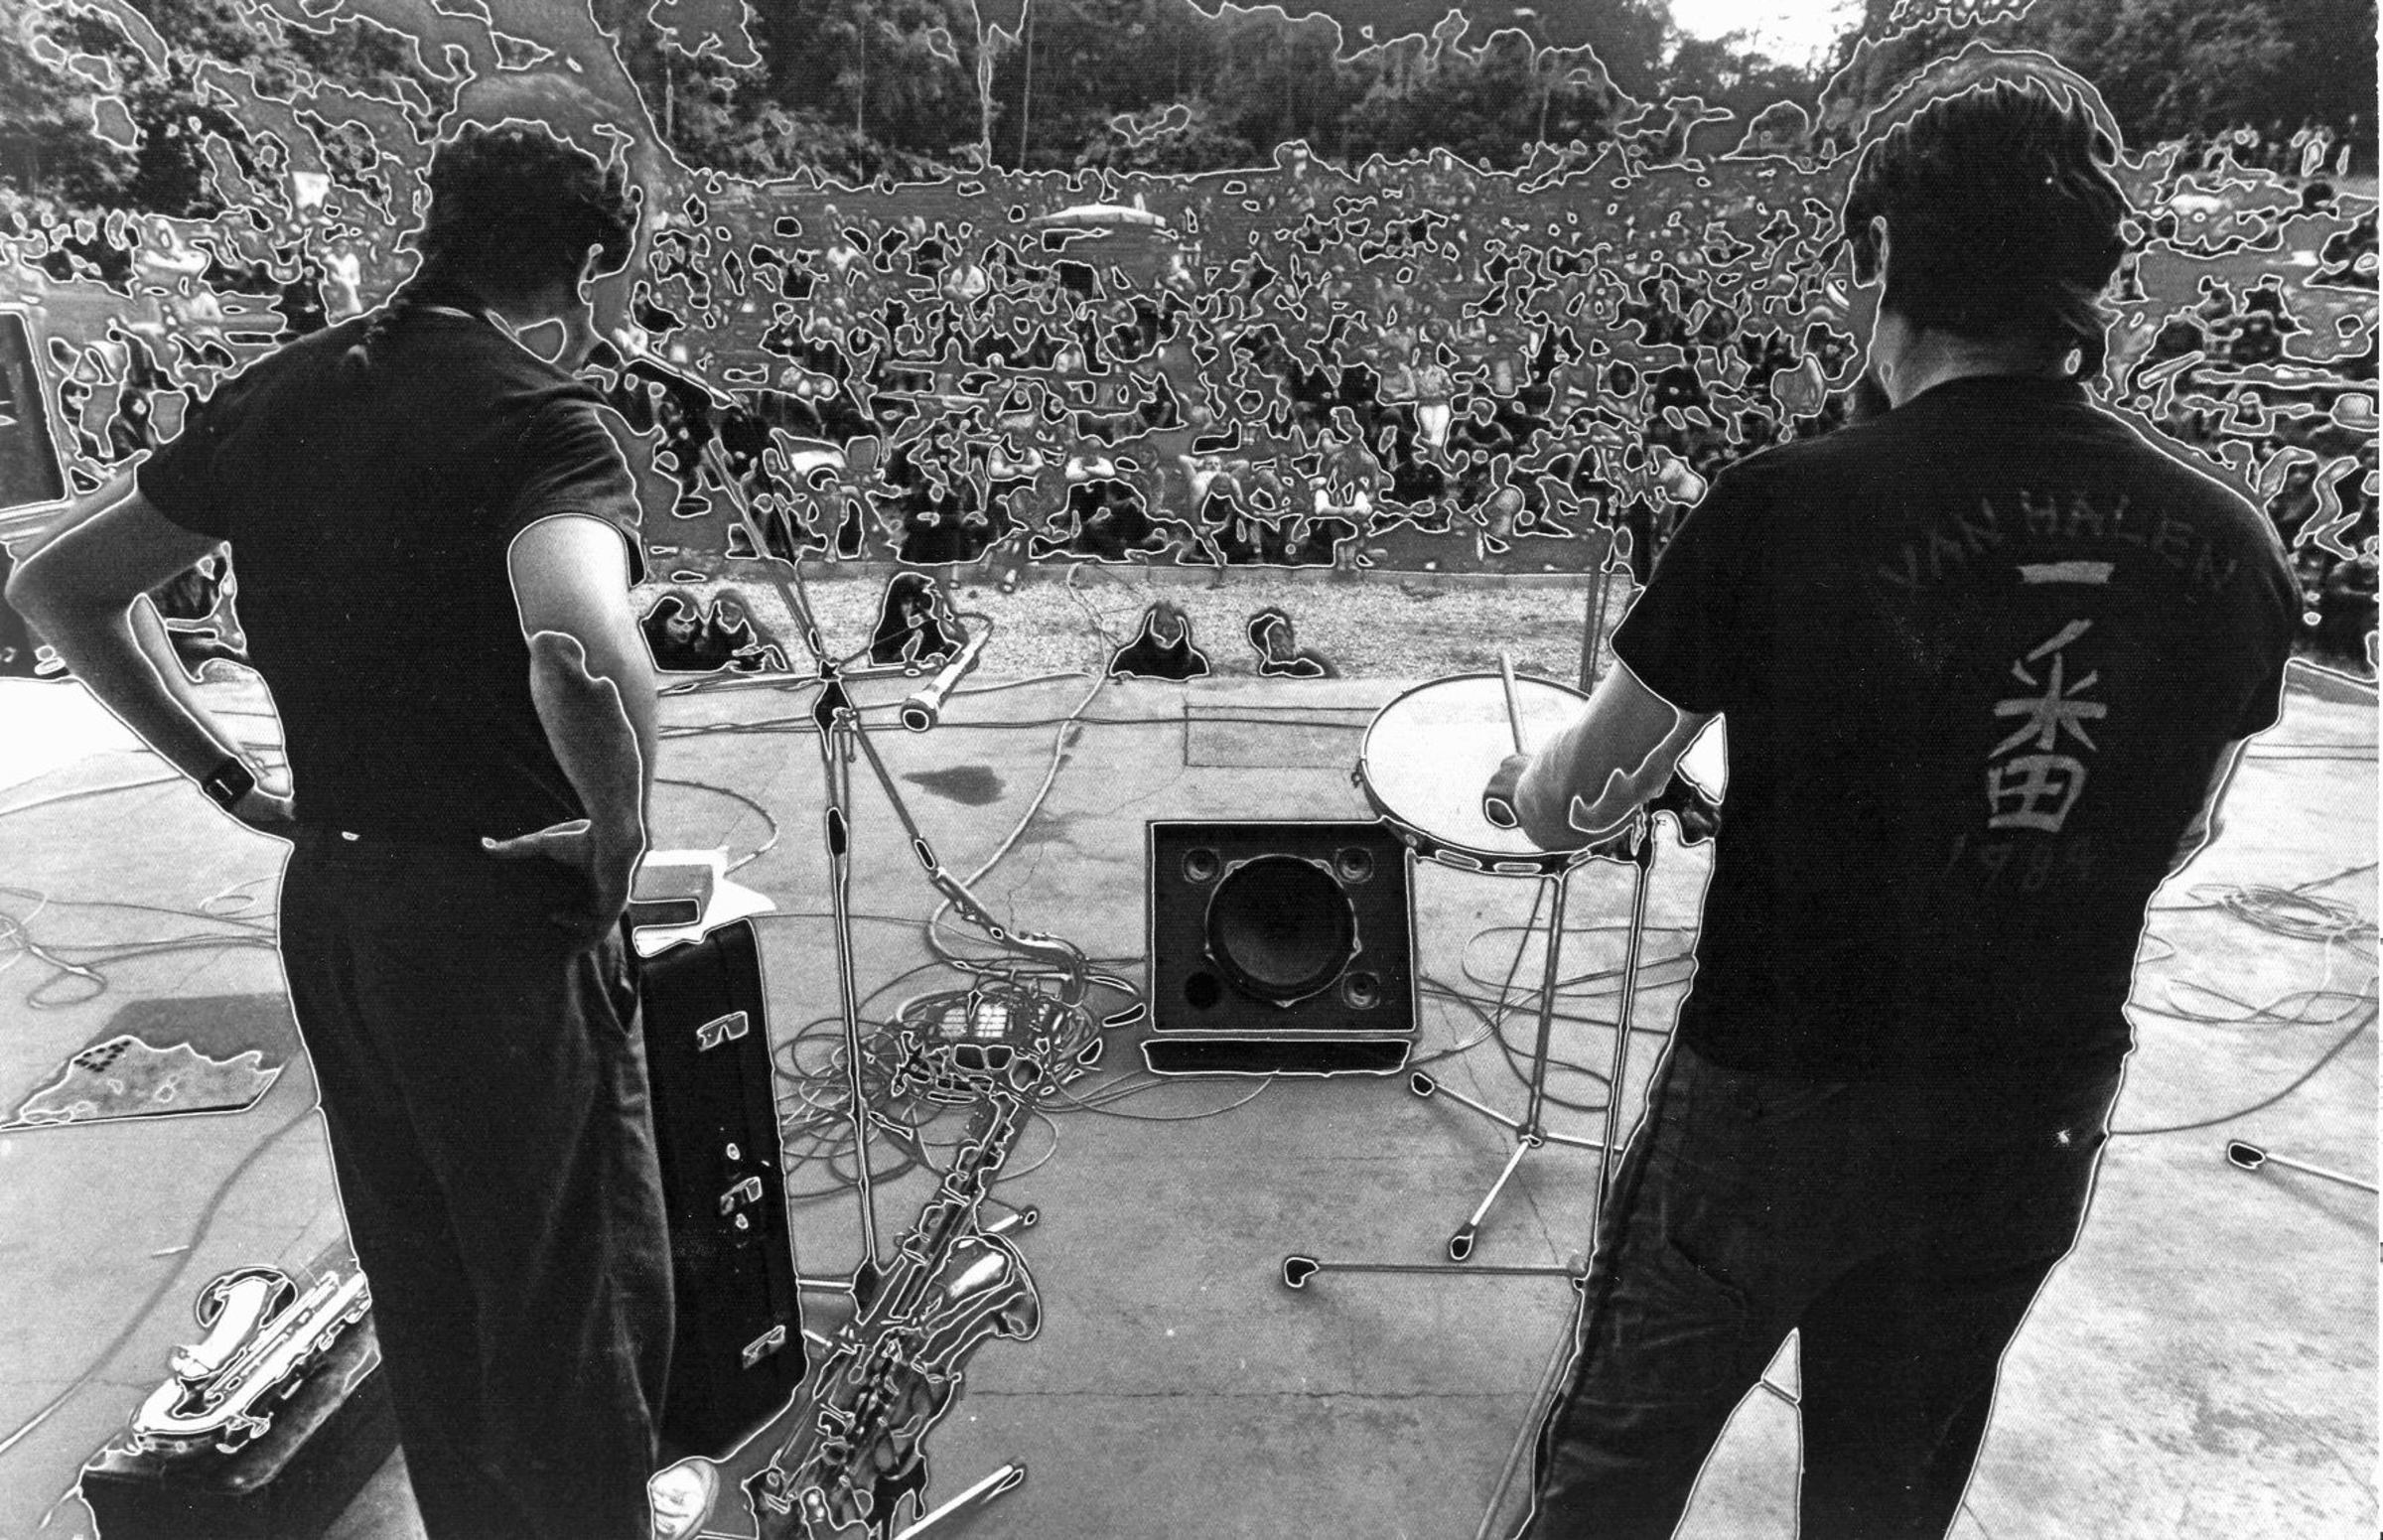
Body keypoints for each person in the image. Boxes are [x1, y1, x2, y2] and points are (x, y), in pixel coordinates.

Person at [1482, 48, 2298, 1540]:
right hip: (2030, 1104)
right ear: (2082, 279)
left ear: (1879, 254)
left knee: (1613, 1481)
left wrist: (1525, 779)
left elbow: (1581, 801)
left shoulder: (1789, 502)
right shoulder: (2230, 542)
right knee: (1883, 1501)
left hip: (1777, 1094)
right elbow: (2176, 828)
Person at [9, 122, 670, 1540]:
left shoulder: (278, 391)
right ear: (581, 261)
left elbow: (61, 590)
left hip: (340, 905)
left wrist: (225, 776)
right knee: (566, 1298)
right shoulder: (541, 422)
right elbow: (575, 643)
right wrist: (619, 825)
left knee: (424, 1281)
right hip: (497, 917)